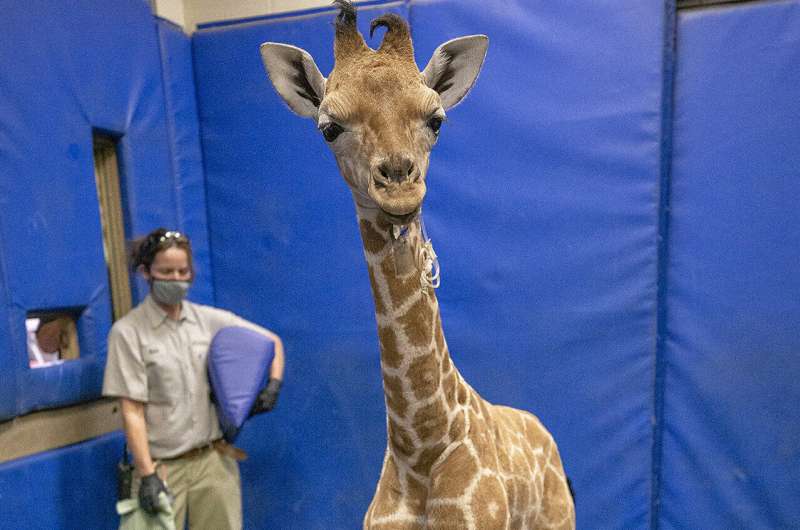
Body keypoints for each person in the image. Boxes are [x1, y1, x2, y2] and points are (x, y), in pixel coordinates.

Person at [102, 228, 285, 529]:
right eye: (166, 271)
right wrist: (147, 475)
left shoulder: (208, 320)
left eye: (183, 271)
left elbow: (272, 342)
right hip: (161, 468)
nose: (176, 279)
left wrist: (273, 384)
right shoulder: (128, 333)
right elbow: (131, 411)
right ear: (146, 272)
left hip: (212, 461)